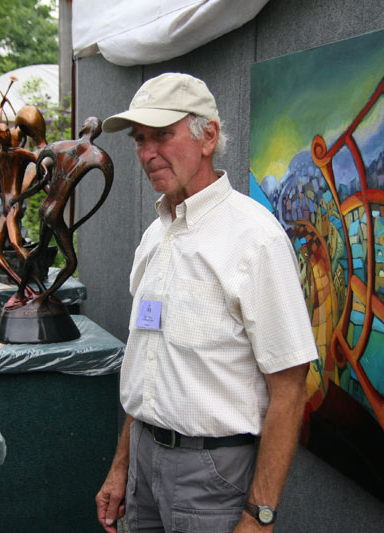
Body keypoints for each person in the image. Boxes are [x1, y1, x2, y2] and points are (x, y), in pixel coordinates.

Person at [94, 73, 318, 532]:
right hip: (144, 463)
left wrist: (259, 517)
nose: (147, 152)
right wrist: (122, 465)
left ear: (208, 136)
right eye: (139, 139)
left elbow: (290, 389)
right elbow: (147, 365)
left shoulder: (255, 239)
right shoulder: (156, 233)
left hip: (212, 476)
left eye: (162, 135)